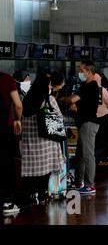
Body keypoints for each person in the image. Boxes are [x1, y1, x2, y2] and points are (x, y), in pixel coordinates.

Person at [21, 71, 65, 206]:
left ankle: (29, 195)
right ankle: (42, 194)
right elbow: (59, 117)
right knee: (45, 169)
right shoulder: (48, 99)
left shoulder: (27, 98)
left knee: (30, 169)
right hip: (45, 141)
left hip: (29, 141)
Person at [61, 61, 100, 194]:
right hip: (84, 123)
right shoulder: (86, 86)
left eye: (82, 70)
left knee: (88, 154)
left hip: (88, 124)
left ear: (89, 72)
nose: (80, 73)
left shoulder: (90, 86)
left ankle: (90, 185)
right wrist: (75, 104)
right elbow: (78, 102)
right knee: (80, 155)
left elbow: (73, 99)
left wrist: (63, 99)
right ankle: (79, 182)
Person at [0, 72, 23, 216]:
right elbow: (18, 104)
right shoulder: (6, 78)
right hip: (4, 128)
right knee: (6, 163)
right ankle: (7, 202)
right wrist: (17, 119)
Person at [94, 73, 108, 164]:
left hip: (90, 119)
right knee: (102, 138)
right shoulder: (101, 90)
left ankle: (94, 157)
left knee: (94, 139)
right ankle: (100, 156)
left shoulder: (85, 90)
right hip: (102, 118)